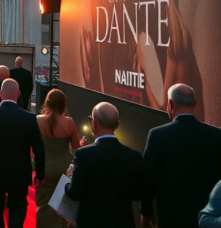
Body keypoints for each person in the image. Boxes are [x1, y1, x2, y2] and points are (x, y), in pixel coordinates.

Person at [141, 84, 221, 228]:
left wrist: (146, 212)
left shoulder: (157, 135)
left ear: (170, 104)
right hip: (205, 219)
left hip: (170, 218)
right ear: (195, 103)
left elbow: (149, 178)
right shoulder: (217, 135)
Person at [0, 79, 45, 228]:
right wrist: (40, 173)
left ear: (0, 94)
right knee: (18, 206)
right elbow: (38, 149)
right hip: (19, 172)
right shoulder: (30, 118)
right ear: (18, 94)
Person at [65, 102, 144, 228]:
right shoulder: (134, 156)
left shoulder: (83, 154)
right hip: (123, 222)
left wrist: (69, 179)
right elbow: (138, 193)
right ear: (117, 125)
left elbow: (75, 193)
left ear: (94, 123)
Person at [34, 89, 85, 228]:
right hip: (63, 168)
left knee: (42, 204)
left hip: (43, 168)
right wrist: (80, 145)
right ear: (63, 105)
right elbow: (76, 150)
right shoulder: (69, 123)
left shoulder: (37, 120)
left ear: (47, 103)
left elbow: (32, 147)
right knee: (62, 205)